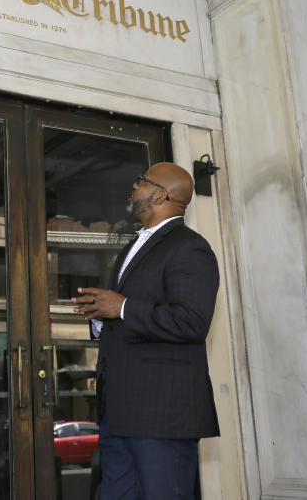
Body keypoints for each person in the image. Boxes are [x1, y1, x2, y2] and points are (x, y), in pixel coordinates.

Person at [73, 162, 219, 500]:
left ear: (161, 194)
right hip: (119, 412)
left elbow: (192, 321)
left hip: (161, 416)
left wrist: (122, 307)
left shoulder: (190, 247)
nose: (133, 188)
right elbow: (128, 316)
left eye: (141, 181)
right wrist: (101, 314)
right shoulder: (131, 247)